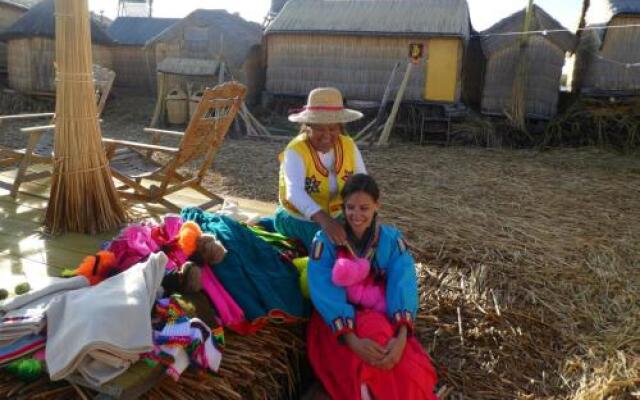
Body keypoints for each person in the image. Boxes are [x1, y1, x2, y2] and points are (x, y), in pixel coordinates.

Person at [307, 174, 438, 400]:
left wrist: (401, 339)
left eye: (364, 208)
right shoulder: (325, 241)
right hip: (338, 325)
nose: (356, 215)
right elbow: (323, 289)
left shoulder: (391, 241)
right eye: (350, 207)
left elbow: (402, 283)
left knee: (399, 365)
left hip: (384, 318)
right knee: (361, 370)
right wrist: (353, 341)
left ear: (377, 205)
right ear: (343, 206)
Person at [275, 87, 367, 251]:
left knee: (367, 241)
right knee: (333, 249)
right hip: (299, 218)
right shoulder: (295, 151)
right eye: (319, 128)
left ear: (340, 127)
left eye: (332, 129)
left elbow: (362, 181)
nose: (326, 135)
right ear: (308, 126)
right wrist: (326, 221)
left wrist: (364, 215)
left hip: (337, 215)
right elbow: (294, 193)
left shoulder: (348, 145)